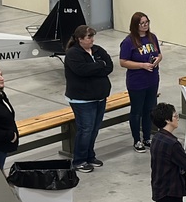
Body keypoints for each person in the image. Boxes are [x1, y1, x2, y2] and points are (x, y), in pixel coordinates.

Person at [63, 25, 113, 173]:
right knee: (85, 130)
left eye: (92, 36)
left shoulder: (97, 50)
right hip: (82, 100)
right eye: (89, 37)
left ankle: (90, 156)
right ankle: (79, 160)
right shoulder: (73, 54)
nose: (92, 40)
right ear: (80, 39)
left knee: (94, 129)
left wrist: (95, 67)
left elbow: (109, 66)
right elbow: (82, 71)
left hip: (100, 97)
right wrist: (99, 66)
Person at [119, 12, 162, 153]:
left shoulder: (152, 37)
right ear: (135, 25)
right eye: (142, 23)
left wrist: (158, 60)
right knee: (137, 111)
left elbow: (159, 54)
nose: (145, 25)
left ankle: (147, 137)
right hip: (137, 81)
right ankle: (136, 139)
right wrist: (142, 65)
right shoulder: (128, 42)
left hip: (152, 79)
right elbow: (123, 62)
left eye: (147, 22)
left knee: (149, 109)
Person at [149, 102, 186, 202]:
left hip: (159, 189)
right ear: (167, 120)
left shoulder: (156, 138)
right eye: (175, 116)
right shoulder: (173, 144)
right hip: (171, 192)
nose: (177, 118)